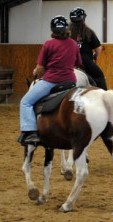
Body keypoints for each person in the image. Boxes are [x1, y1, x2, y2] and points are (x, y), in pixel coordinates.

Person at [18, 15, 82, 144]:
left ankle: (30, 132)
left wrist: (36, 72)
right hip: (70, 82)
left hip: (51, 81)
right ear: (67, 29)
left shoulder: (48, 44)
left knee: (25, 102)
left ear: (52, 29)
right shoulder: (74, 44)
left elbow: (40, 68)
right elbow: (77, 63)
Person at [69, 7, 107, 90]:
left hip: (67, 62)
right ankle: (105, 98)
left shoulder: (65, 32)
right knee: (99, 76)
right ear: (84, 19)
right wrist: (95, 56)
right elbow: (98, 49)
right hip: (84, 62)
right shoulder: (88, 31)